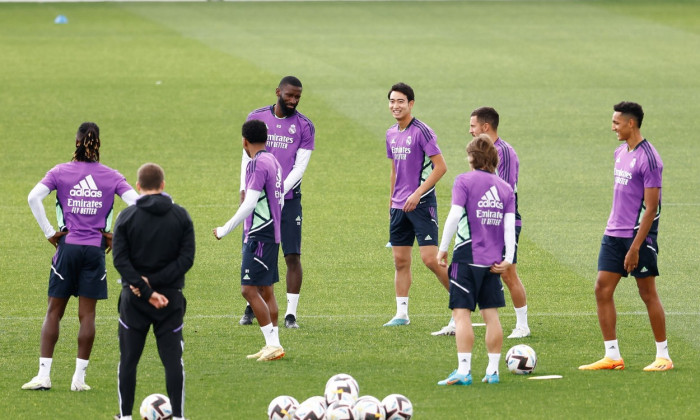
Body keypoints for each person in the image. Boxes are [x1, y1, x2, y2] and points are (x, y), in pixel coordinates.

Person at [24, 122, 138, 391]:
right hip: (95, 250)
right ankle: (79, 380)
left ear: (76, 143)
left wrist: (50, 233)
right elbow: (138, 203)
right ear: (98, 145)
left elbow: (33, 198)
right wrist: (116, 235)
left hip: (68, 247)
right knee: (87, 316)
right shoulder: (111, 176)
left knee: (54, 311)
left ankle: (44, 376)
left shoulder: (60, 172)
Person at [579, 101, 672, 372]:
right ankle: (612, 356)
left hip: (637, 237)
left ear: (631, 123)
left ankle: (663, 355)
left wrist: (635, 247)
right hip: (613, 233)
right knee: (602, 289)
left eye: (616, 123)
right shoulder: (620, 152)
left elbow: (652, 207)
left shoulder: (650, 159)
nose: (613, 127)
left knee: (647, 292)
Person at [112, 163, 195, 420]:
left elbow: (119, 260)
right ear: (163, 185)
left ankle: (125, 416)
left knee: (128, 360)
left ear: (138, 187)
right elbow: (186, 259)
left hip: (134, 300)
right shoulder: (181, 216)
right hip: (170, 301)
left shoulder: (126, 217)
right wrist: (157, 286)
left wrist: (145, 288)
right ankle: (179, 417)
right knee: (173, 362)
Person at [436, 134, 516, 386]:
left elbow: (454, 216)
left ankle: (464, 371)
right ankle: (492, 372)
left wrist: (442, 248)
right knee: (491, 315)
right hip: (493, 262)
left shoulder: (464, 181)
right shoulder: (505, 188)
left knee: (462, 315)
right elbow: (509, 229)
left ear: (472, 157)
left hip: (466, 257)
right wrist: (509, 260)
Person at [238, 75, 315, 329]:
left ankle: (290, 314)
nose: (293, 101)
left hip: (289, 199)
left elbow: (300, 167)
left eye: (297, 97)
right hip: (259, 200)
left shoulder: (305, 126)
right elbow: (247, 156)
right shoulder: (256, 117)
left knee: (292, 255)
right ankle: (251, 306)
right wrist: (243, 187)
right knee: (255, 249)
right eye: (289, 95)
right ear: (278, 92)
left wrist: (280, 192)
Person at [446, 106, 529, 339]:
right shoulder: (481, 152)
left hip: (502, 222)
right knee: (469, 268)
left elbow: (506, 191)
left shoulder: (506, 152)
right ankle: (457, 320)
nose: (470, 130)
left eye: (473, 126)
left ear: (485, 126)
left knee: (507, 271)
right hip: (481, 222)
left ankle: (522, 324)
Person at [215, 119, 285, 361]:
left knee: (248, 289)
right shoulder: (274, 160)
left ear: (244, 141)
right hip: (272, 232)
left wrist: (225, 228)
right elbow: (280, 198)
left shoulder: (257, 164)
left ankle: (273, 344)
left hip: (259, 234)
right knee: (267, 290)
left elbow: (250, 203)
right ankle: (273, 345)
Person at [384, 82, 450, 327]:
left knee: (431, 260)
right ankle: (402, 314)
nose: (395, 105)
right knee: (400, 261)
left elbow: (441, 167)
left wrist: (417, 194)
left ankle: (461, 305)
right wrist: (392, 201)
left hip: (421, 205)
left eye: (400, 101)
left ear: (411, 104)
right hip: (399, 207)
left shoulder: (422, 131)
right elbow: (394, 170)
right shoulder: (391, 133)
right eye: (392, 101)